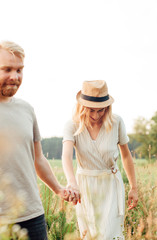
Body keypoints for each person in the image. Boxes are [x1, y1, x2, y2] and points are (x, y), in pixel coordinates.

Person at [0, 41, 76, 240]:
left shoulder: (27, 109)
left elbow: (38, 159)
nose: (14, 77)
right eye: (6, 69)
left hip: (31, 216)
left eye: (19, 70)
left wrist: (59, 189)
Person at [62, 80, 138, 240]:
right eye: (91, 110)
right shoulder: (72, 126)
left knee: (111, 235)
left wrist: (133, 187)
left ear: (107, 108)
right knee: (89, 235)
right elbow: (66, 156)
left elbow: (126, 155)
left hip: (110, 184)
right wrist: (72, 182)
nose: (96, 116)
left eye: (101, 110)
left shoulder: (117, 122)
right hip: (85, 186)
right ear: (82, 106)